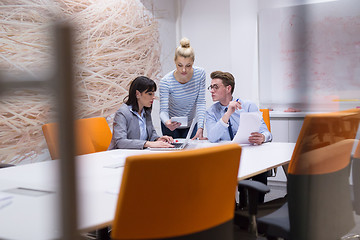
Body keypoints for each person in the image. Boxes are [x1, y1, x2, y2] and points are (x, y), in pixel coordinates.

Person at [205, 70, 272, 205]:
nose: (211, 91)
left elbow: (267, 132)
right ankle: (234, 211)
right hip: (228, 157)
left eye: (215, 87)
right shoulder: (211, 112)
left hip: (250, 154)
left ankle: (258, 210)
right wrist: (228, 113)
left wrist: (262, 137)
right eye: (210, 87)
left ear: (228, 88)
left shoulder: (248, 106)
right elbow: (212, 137)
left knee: (260, 172)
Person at [108, 76, 174, 150]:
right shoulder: (122, 113)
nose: (153, 97)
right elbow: (120, 142)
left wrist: (157, 139)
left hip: (138, 153)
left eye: (153, 94)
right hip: (120, 157)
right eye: (150, 94)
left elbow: (151, 134)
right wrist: (148, 143)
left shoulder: (146, 111)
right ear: (137, 94)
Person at [159, 37, 206, 140]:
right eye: (180, 65)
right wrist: (167, 122)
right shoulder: (166, 81)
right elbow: (163, 110)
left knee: (192, 153)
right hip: (170, 126)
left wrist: (201, 127)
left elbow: (201, 102)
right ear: (175, 61)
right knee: (173, 154)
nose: (184, 70)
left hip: (191, 125)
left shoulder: (200, 74)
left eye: (188, 65)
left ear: (193, 62)